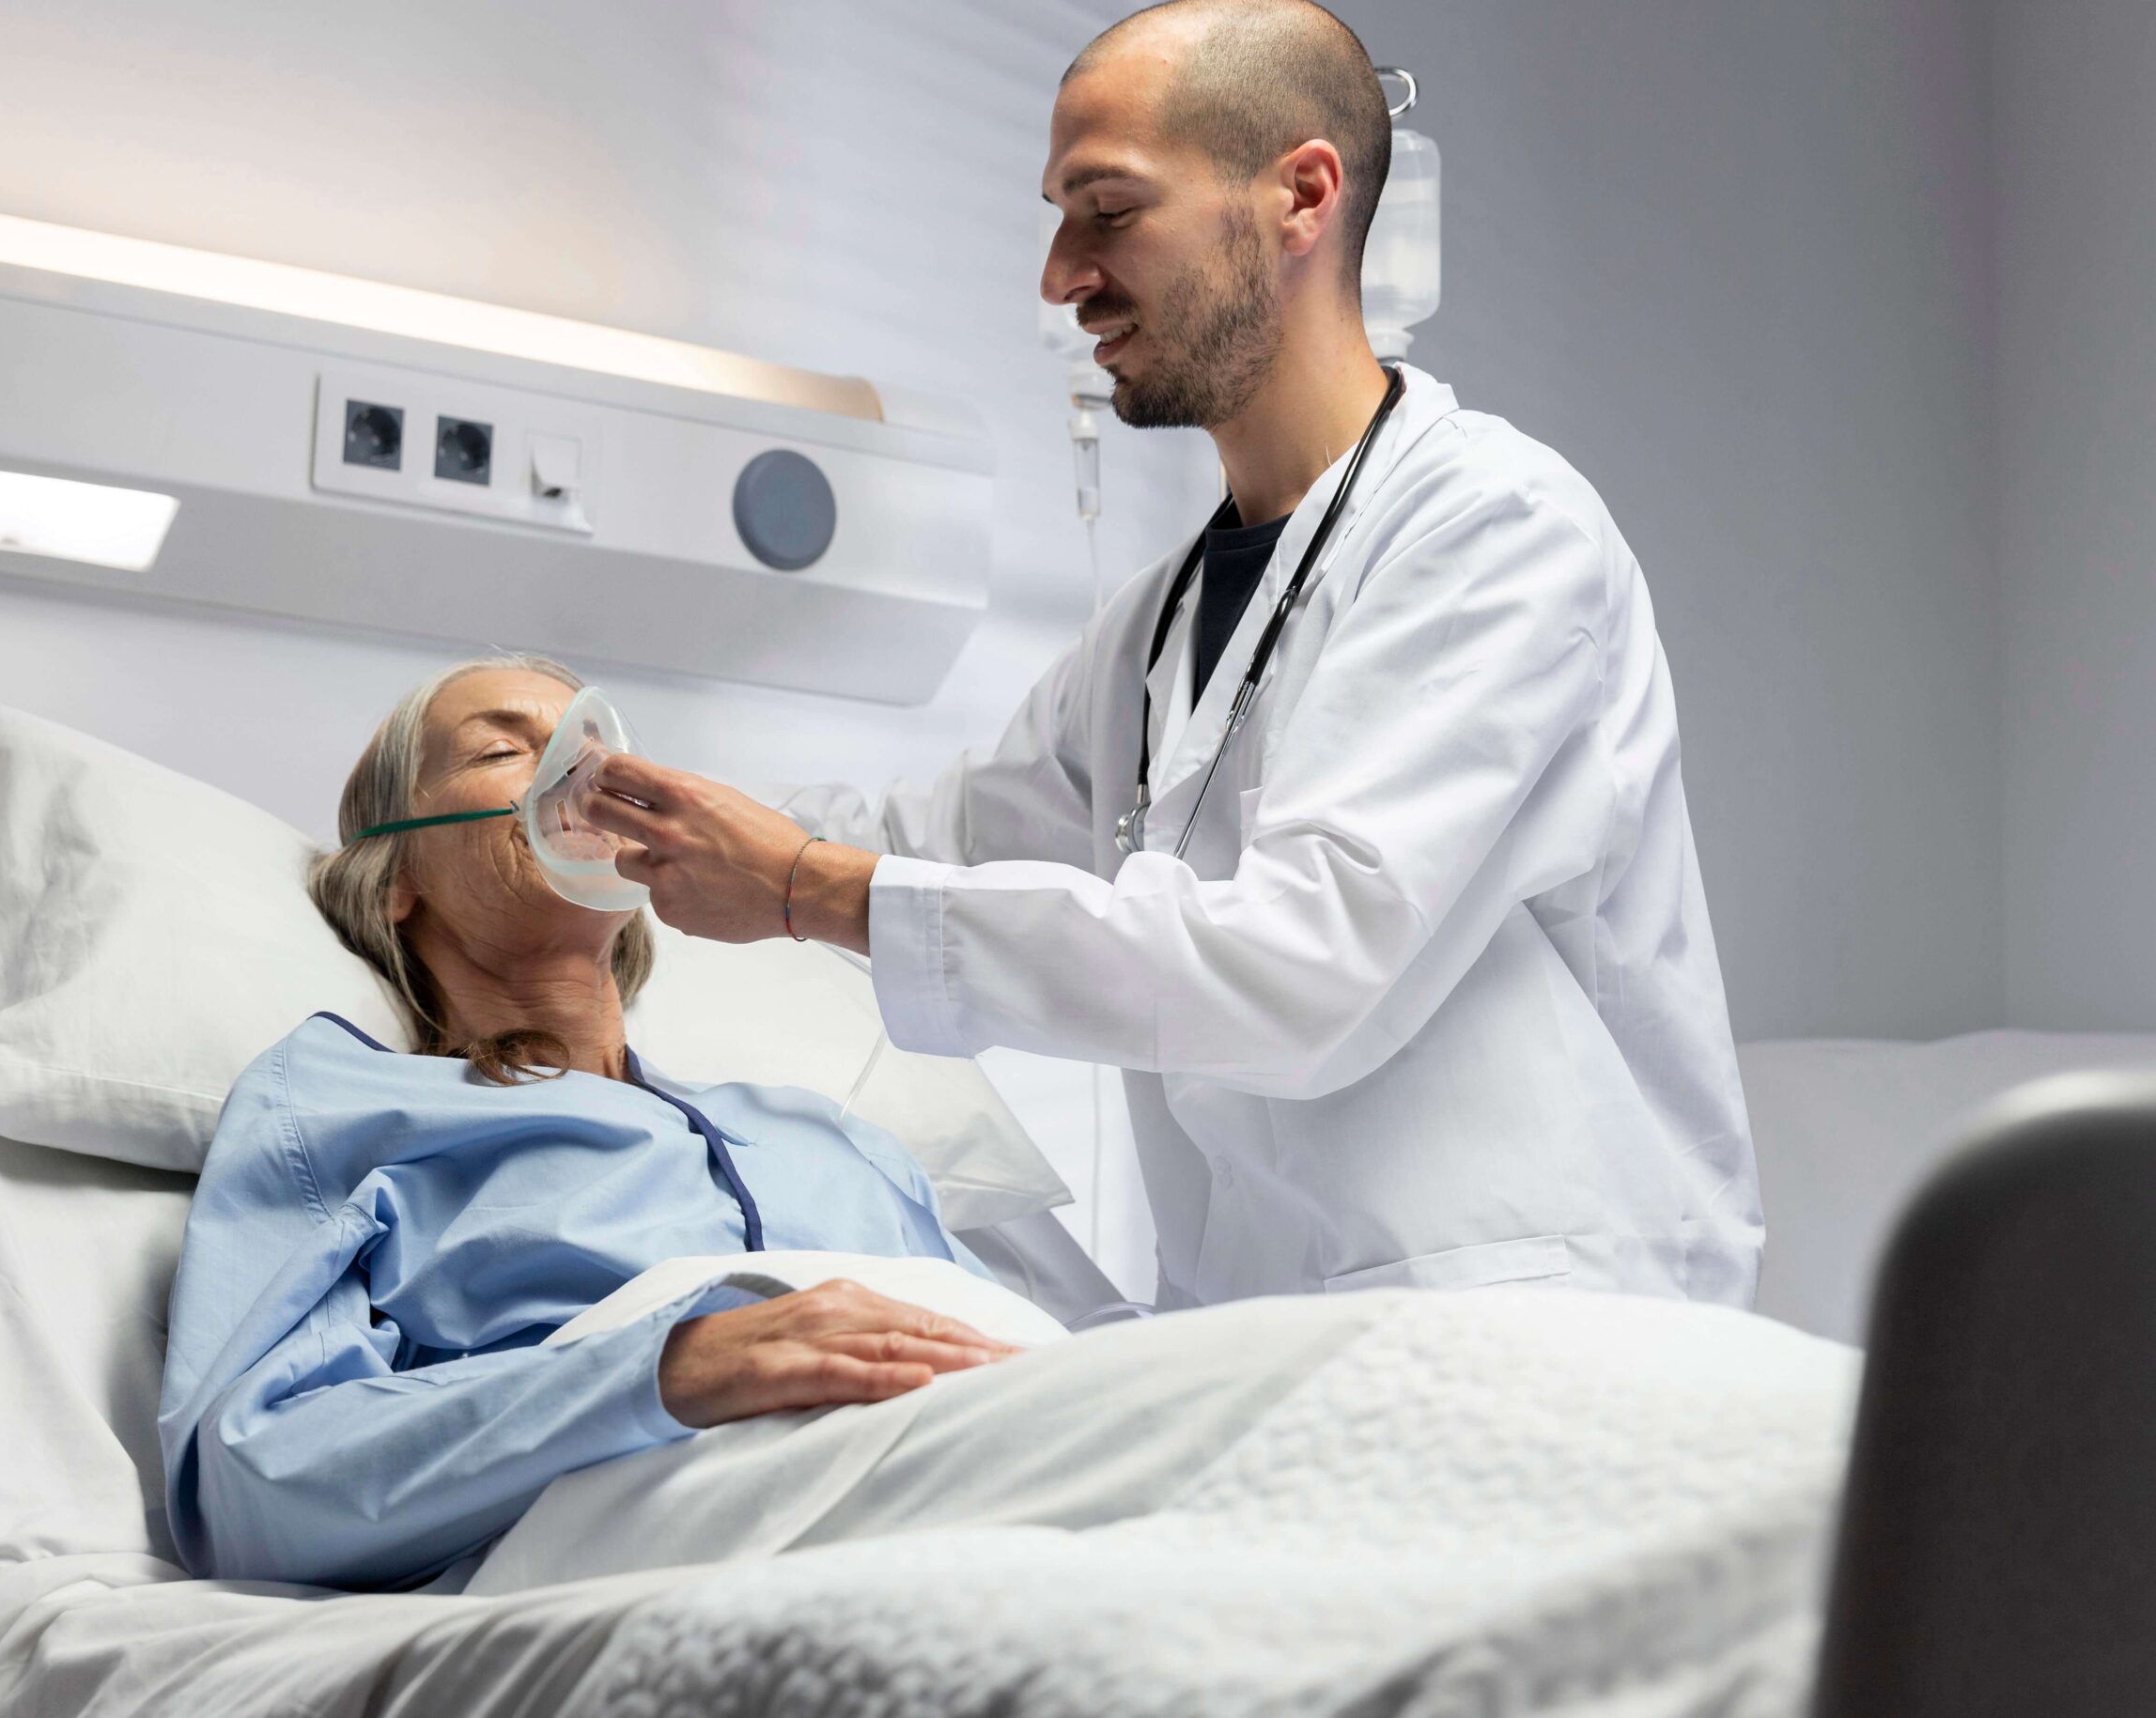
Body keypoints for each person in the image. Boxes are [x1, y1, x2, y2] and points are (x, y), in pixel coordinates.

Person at [577, 0, 1763, 1310]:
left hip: (1538, 1326)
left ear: (1301, 195)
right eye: (1057, 214)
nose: (1059, 274)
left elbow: (1306, 961)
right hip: (1277, 1347)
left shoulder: (1496, 532)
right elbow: (942, 839)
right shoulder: (1157, 625)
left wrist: (808, 887)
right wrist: (625, 828)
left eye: (1108, 209)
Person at [157, 658, 1024, 1590]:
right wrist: (666, 1366)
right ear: (396, 873)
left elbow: (1020, 1364)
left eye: (592, 744)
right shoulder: (345, 1107)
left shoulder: (832, 1138)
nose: (580, 770)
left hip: (992, 1467)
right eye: (502, 747)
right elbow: (253, 1485)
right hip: (680, 1531)